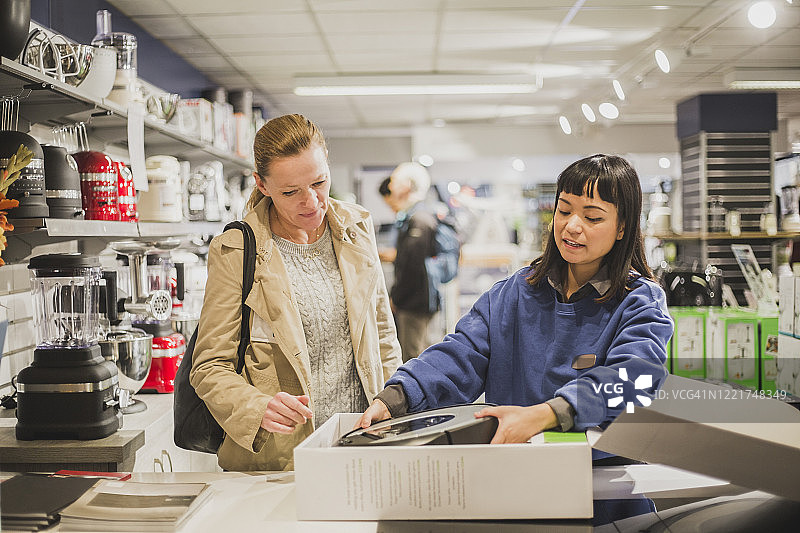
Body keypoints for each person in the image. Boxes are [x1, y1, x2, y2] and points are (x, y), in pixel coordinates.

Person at [358, 154, 673, 445]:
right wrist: (398, 396)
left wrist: (550, 413)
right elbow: (459, 355)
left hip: (601, 484)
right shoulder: (514, 293)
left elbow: (632, 377)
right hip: (514, 476)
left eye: (592, 217)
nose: (571, 226)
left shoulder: (639, 301)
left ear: (622, 228)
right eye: (564, 210)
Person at [191, 114, 402, 471]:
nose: (311, 202)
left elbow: (382, 336)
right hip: (280, 458)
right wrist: (256, 407)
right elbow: (210, 365)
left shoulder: (356, 229)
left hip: (361, 442)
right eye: (290, 192)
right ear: (262, 185)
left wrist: (395, 407)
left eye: (319, 182)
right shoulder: (236, 251)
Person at [379, 163, 443, 362]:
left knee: (414, 358)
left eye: (394, 183)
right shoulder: (415, 217)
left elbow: (412, 266)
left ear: (406, 186)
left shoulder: (419, 220)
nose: (390, 188)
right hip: (416, 300)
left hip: (415, 303)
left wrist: (396, 297)